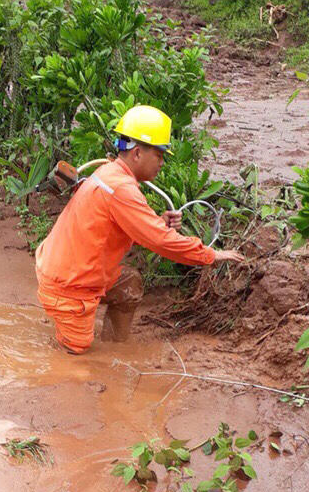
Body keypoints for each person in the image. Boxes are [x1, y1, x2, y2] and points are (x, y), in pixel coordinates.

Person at [35, 104, 244, 354]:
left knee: (128, 284)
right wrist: (210, 256)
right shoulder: (122, 188)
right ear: (136, 153)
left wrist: (158, 224)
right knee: (77, 363)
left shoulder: (109, 172)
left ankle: (114, 347)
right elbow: (160, 241)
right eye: (159, 155)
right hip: (70, 285)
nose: (162, 162)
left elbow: (122, 226)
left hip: (65, 267)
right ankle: (73, 341)